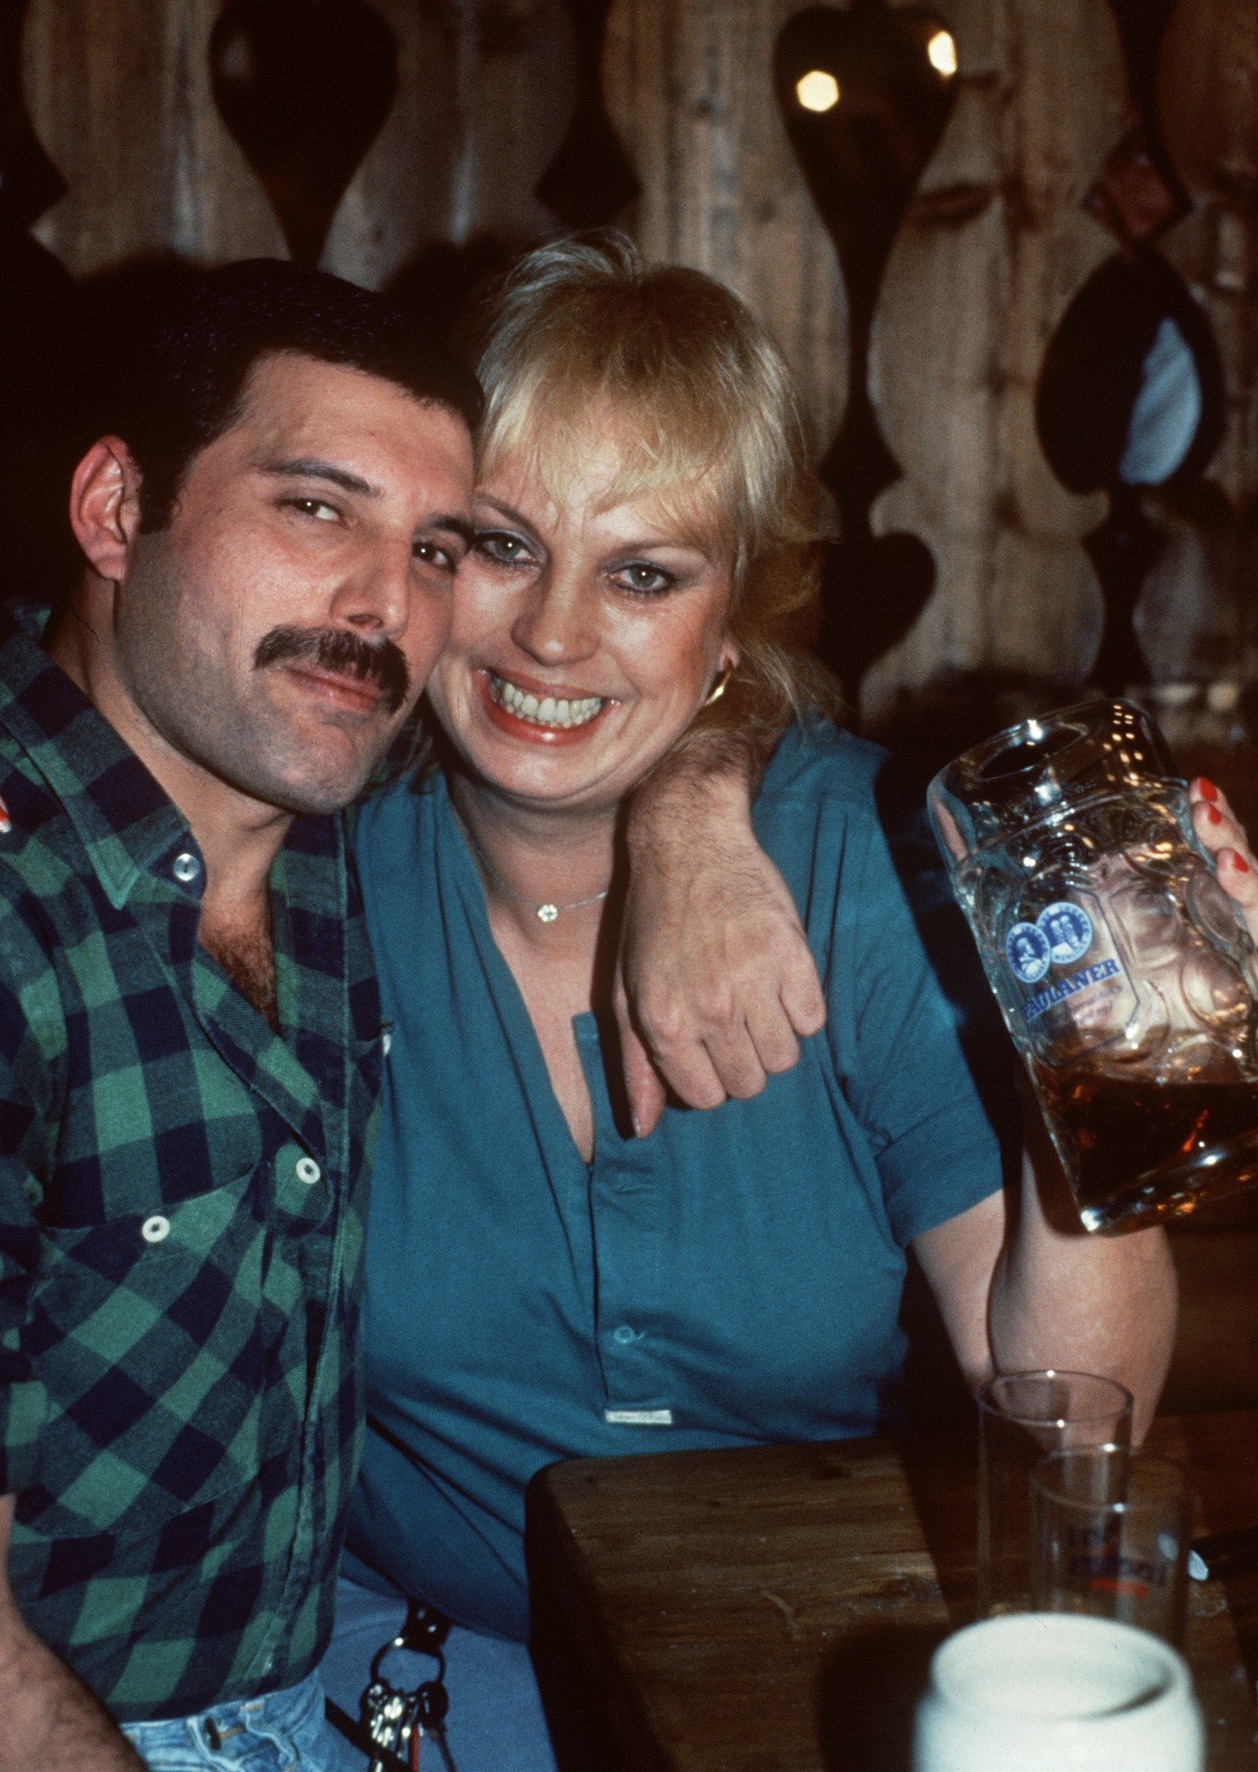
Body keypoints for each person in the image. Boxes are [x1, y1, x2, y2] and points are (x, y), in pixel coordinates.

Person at [321, 235, 1258, 1769]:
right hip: (413, 1666)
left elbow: (1066, 1412)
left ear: (731, 619)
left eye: (644, 572)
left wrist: (1096, 1091)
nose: (556, 634)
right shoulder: (312, 865)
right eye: (504, 544)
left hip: (778, 1649)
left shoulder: (865, 863)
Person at [0, 258, 809, 1772]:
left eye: (443, 545)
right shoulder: (31, 909)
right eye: (316, 509)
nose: (385, 605)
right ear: (116, 511)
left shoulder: (330, 830)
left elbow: (686, 683)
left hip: (328, 1688)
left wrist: (698, 804)